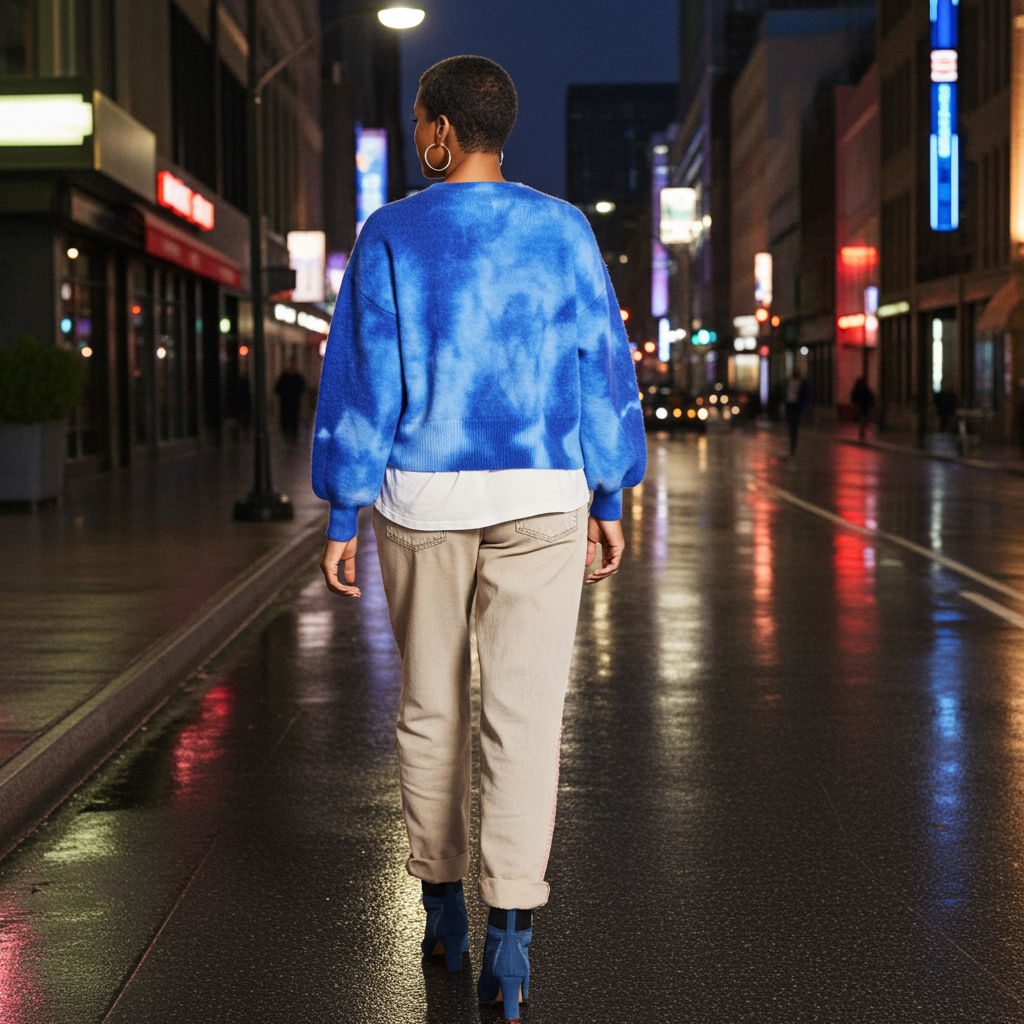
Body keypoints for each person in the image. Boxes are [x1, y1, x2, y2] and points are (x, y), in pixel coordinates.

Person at [311, 56, 646, 1020]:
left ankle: (443, 905)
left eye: (423, 122)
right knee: (525, 715)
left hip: (421, 501)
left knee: (431, 707)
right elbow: (602, 367)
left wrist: (343, 505)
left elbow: (364, 382)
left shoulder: (392, 234)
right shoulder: (564, 231)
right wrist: (610, 496)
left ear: (443, 132)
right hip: (544, 496)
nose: (419, 136)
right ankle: (512, 938)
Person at [274, 359, 306, 443]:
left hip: (295, 402)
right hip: (285, 402)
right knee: (285, 418)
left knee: (294, 418)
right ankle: (286, 433)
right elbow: (278, 388)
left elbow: (302, 387)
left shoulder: (298, 377)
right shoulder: (284, 377)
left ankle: (293, 434)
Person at [784, 370, 810, 454]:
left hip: (795, 406)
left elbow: (805, 396)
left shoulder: (800, 384)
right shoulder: (789, 383)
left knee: (794, 425)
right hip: (790, 405)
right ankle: (792, 442)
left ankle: (793, 443)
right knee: (792, 425)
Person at [850, 375, 875, 441]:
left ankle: (862, 431)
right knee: (864, 419)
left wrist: (855, 405)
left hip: (860, 406)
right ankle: (862, 430)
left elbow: (854, 398)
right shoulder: (866, 389)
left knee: (862, 419)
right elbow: (870, 397)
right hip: (865, 406)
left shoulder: (857, 389)